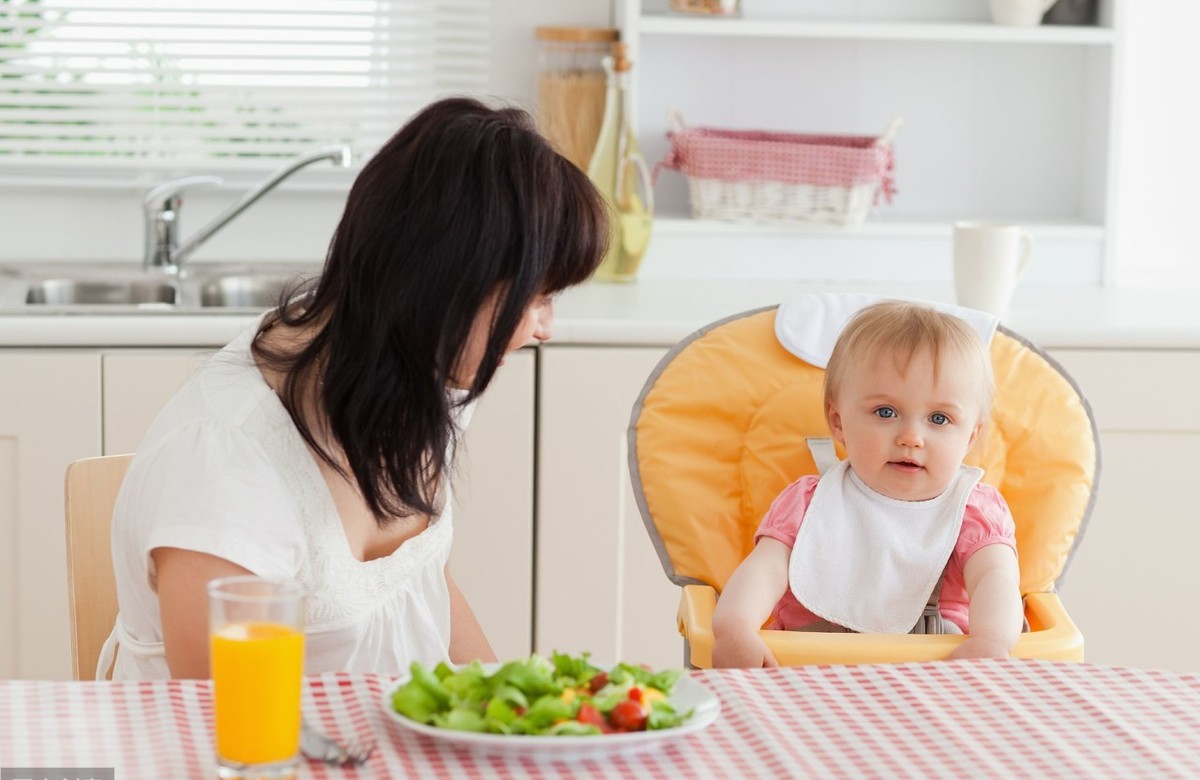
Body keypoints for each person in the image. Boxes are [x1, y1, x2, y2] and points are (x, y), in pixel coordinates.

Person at [105, 97, 610, 680]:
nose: (543, 329)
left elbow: (423, 583)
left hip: (379, 747)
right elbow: (227, 727)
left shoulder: (425, 373)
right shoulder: (225, 464)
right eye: (536, 297)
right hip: (241, 762)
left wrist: (516, 715)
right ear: (445, 283)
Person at [711, 300, 1024, 668]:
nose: (911, 437)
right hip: (807, 672)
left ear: (970, 437)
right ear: (839, 421)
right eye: (885, 412)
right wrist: (735, 626)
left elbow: (995, 577)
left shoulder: (973, 510)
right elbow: (765, 568)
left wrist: (991, 639)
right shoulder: (810, 502)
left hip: (936, 678)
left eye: (939, 418)